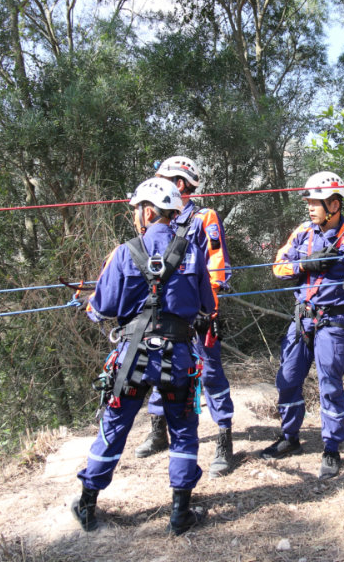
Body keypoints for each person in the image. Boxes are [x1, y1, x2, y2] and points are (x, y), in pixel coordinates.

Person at [72, 177, 214, 535]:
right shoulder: (193, 252)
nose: (136, 216)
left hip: (131, 360)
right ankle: (180, 512)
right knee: (183, 430)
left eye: (138, 210)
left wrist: (88, 303)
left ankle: (87, 504)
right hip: (179, 359)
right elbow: (207, 306)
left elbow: (101, 309)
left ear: (148, 211)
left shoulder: (124, 253)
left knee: (115, 426)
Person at [260, 171, 344, 479]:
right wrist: (304, 265)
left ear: (334, 204)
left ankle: (331, 448)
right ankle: (289, 437)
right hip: (301, 318)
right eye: (308, 202)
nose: (310, 207)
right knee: (288, 378)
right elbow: (277, 267)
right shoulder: (303, 233)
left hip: (333, 321)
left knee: (329, 383)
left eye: (316, 202)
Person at [135, 156, 236, 478]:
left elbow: (217, 263)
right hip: (161, 313)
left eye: (163, 178)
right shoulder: (152, 217)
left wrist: (209, 308)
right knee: (157, 365)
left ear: (179, 184)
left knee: (209, 371)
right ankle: (158, 429)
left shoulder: (204, 217)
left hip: (199, 311)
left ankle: (224, 437)